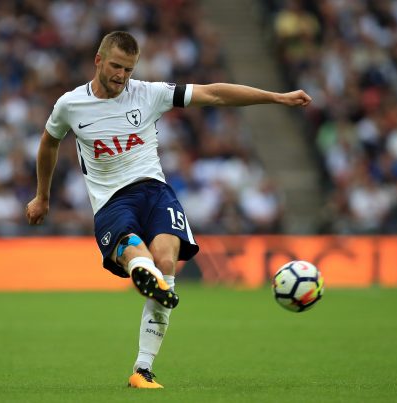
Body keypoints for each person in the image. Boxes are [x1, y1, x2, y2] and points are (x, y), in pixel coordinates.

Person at [26, 31, 311, 389]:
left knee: (165, 261)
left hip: (155, 191)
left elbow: (214, 93)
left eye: (128, 69)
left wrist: (276, 97)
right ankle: (145, 276)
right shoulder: (70, 105)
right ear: (98, 61)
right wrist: (43, 197)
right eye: (115, 66)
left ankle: (142, 368)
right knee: (137, 253)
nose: (121, 76)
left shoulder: (149, 93)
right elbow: (48, 144)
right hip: (112, 200)